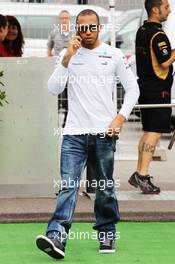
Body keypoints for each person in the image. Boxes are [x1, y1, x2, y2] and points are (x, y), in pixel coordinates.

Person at [36, 9, 139, 259]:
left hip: (104, 134)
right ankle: (56, 237)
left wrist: (119, 118)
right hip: (73, 134)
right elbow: (53, 88)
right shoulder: (67, 54)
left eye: (92, 27)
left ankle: (107, 233)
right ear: (76, 29)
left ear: (99, 28)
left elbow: (133, 89)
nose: (87, 32)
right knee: (68, 186)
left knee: (104, 188)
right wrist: (67, 57)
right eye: (82, 28)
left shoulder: (113, 55)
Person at [129, 0, 175, 194]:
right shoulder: (158, 34)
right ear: (155, 10)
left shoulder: (141, 31)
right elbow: (165, 63)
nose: (169, 10)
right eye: (166, 7)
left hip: (146, 87)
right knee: (154, 133)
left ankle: (139, 173)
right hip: (158, 90)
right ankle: (143, 175)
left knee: (148, 130)